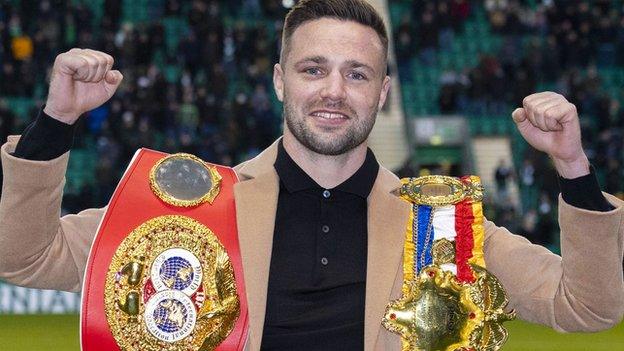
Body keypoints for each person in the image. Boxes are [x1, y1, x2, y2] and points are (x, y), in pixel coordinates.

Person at [1, 0, 623, 350]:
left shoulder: (441, 228)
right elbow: (24, 258)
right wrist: (56, 121)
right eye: (312, 69)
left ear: (382, 94)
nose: (333, 91)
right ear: (278, 80)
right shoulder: (191, 208)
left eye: (357, 74)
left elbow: (589, 308)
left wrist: (573, 168)